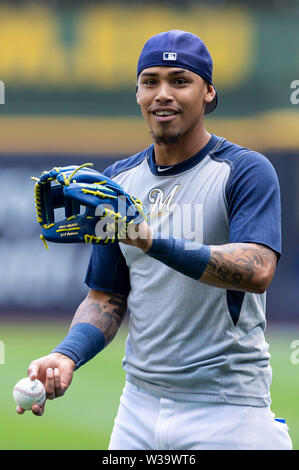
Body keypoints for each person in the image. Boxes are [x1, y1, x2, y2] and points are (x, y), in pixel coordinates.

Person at [17, 30, 292, 450]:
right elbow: (105, 296)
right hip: (137, 411)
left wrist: (150, 241)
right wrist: (66, 355)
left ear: (208, 93)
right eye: (151, 81)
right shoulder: (117, 184)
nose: (163, 94)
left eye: (179, 81)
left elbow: (256, 270)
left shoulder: (245, 171)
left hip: (228, 412)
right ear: (138, 94)